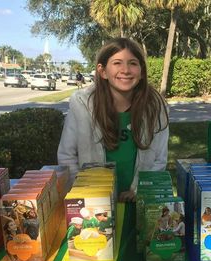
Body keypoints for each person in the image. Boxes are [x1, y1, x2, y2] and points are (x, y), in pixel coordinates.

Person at [57, 38, 169, 202]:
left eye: (133, 63)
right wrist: (87, 195)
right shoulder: (82, 105)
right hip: (95, 201)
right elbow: (67, 156)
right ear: (102, 71)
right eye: (117, 63)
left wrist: (138, 190)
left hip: (137, 200)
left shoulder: (156, 107)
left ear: (142, 71)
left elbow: (160, 159)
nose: (125, 70)